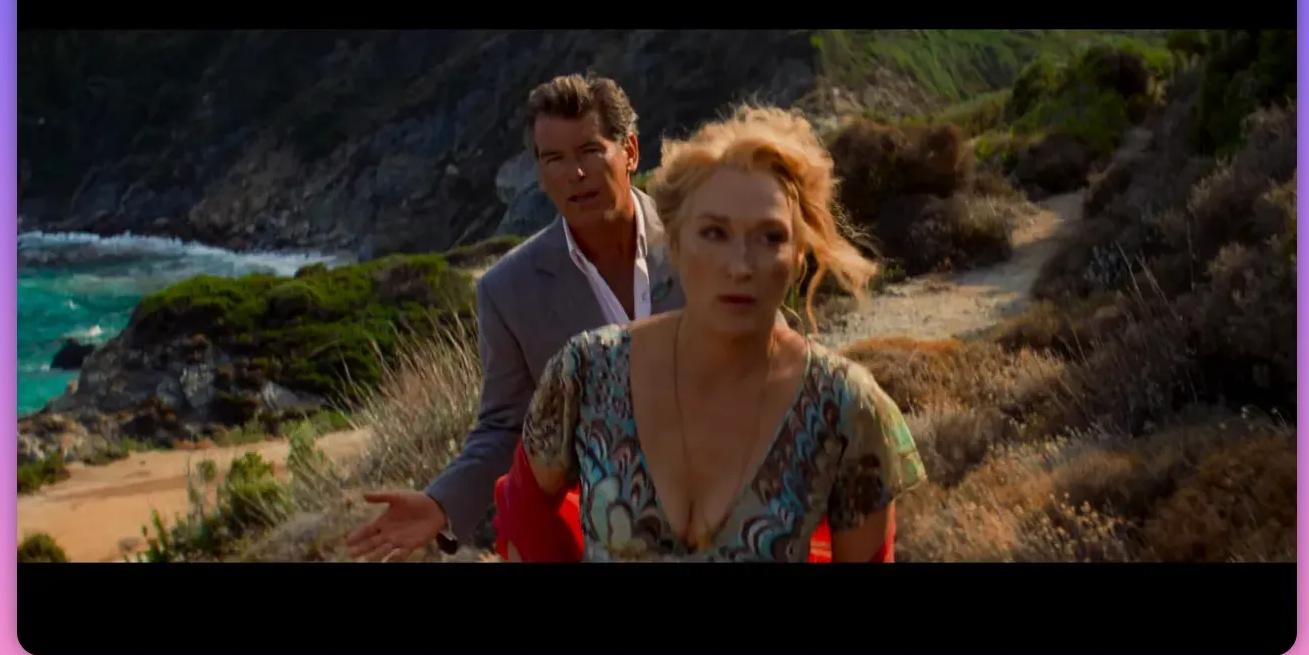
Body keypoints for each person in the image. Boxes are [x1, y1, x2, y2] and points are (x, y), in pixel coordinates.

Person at [493, 104, 928, 562]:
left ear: (800, 256)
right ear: (676, 244)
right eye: (715, 233)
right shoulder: (586, 373)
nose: (739, 266)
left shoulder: (847, 407)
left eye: (771, 238)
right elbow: (523, 509)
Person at [346, 73, 686, 561]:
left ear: (629, 151)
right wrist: (443, 501)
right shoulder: (509, 290)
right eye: (555, 160)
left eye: (590, 151)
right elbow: (508, 427)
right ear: (540, 174)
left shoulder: (701, 242)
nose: (576, 173)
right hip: (609, 538)